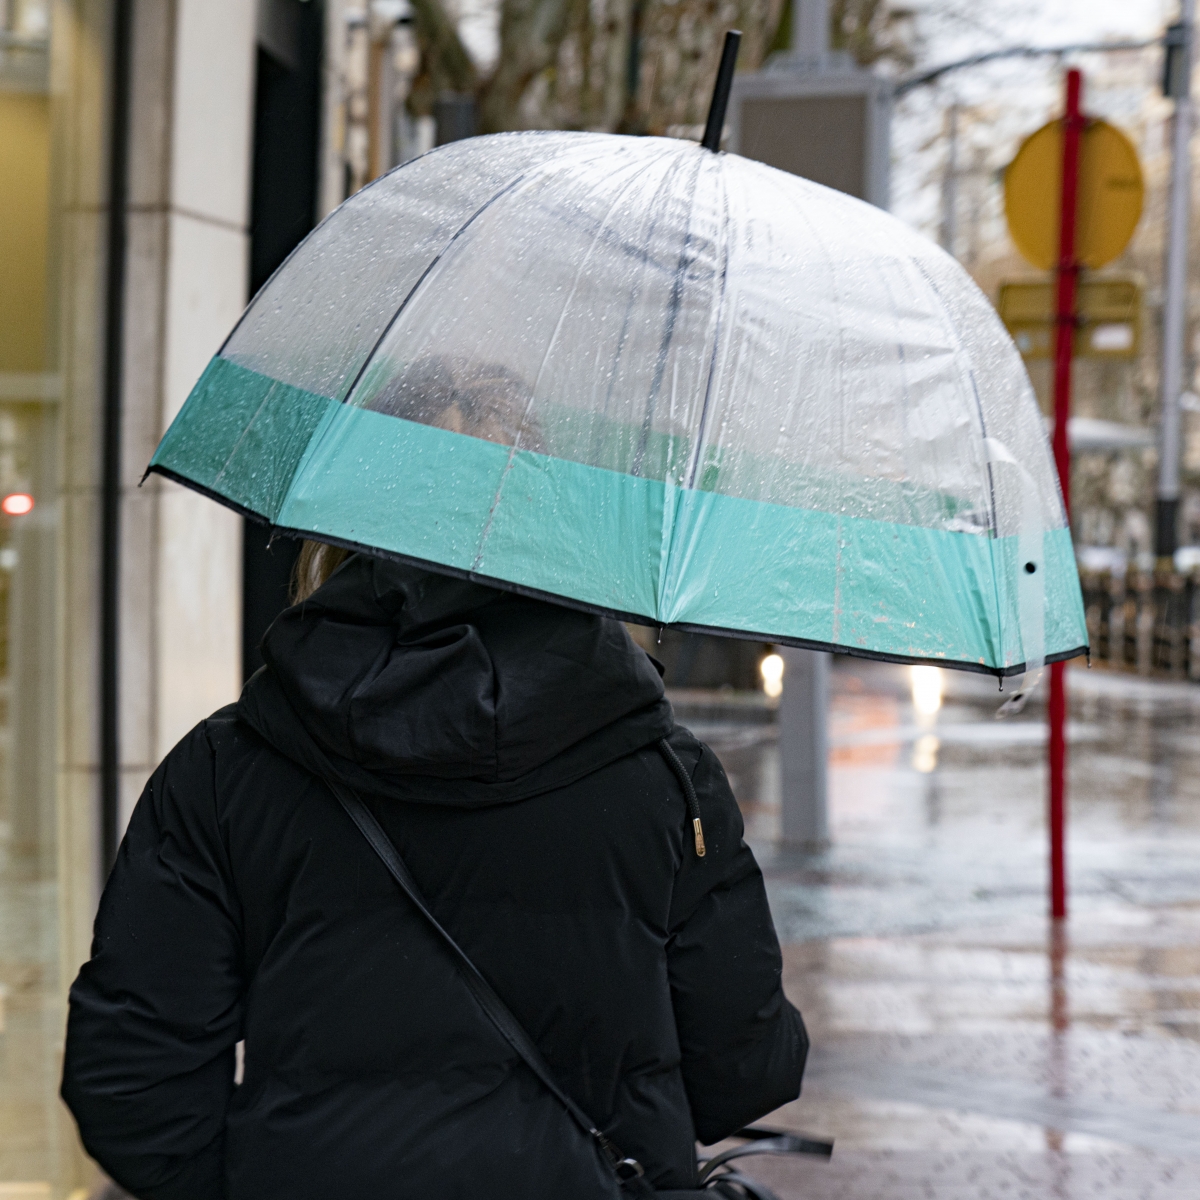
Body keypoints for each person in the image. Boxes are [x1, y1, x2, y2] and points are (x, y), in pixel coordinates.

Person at [63, 366, 807, 1198]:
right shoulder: (668, 780)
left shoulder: (225, 770)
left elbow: (133, 1083)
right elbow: (747, 1072)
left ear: (340, 514)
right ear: (553, 521)